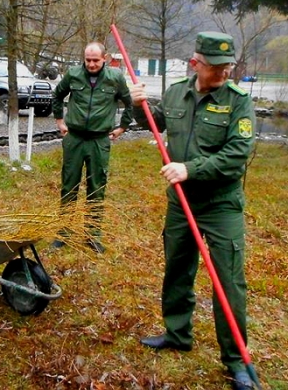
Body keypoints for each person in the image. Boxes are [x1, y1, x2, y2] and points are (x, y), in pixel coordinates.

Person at [130, 32, 257, 390]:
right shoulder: (176, 93)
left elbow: (236, 156)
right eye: (216, 68)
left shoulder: (237, 102)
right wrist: (136, 104)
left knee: (228, 281)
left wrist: (190, 168)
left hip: (220, 205)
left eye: (227, 67)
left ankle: (236, 361)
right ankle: (177, 333)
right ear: (195, 64)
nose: (223, 74)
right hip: (180, 204)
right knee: (177, 268)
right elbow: (150, 124)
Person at [51, 42, 133, 253]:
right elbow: (57, 94)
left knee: (96, 187)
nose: (91, 64)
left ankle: (92, 234)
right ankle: (64, 233)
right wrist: (60, 121)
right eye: (88, 60)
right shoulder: (74, 74)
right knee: (69, 185)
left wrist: (122, 127)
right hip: (75, 139)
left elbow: (129, 102)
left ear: (104, 58)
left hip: (99, 140)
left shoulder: (115, 78)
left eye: (95, 60)